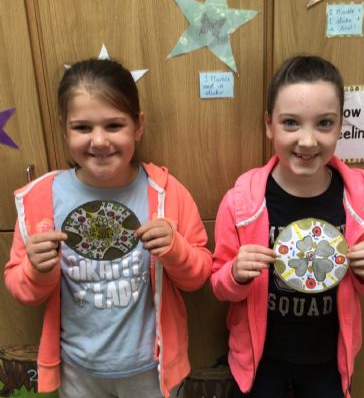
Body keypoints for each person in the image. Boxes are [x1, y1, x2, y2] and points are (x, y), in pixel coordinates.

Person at [4, 58, 212, 398]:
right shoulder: (40, 200)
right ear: (64, 129)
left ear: (138, 126)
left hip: (152, 370)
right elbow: (20, 289)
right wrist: (35, 269)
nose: (99, 141)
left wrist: (175, 250)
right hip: (77, 370)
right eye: (83, 128)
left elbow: (199, 275)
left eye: (114, 125)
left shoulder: (166, 194)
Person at [210, 55, 364, 398]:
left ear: (340, 126)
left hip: (328, 360)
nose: (307, 141)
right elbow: (219, 285)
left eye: (324, 123)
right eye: (291, 123)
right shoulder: (242, 201)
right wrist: (235, 274)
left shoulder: (362, 200)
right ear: (269, 125)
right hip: (259, 359)